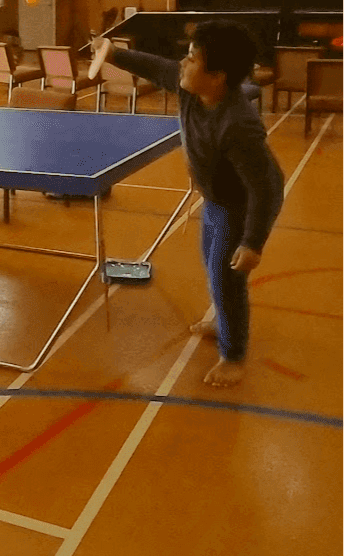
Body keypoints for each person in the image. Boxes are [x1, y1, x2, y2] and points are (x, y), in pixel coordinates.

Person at [93, 20, 284, 387]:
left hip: (237, 208)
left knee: (227, 278)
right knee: (212, 266)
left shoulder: (237, 124)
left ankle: (233, 356)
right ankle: (221, 321)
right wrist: (113, 52)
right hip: (213, 201)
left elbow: (269, 186)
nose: (182, 63)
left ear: (217, 77)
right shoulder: (188, 89)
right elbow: (154, 65)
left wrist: (253, 241)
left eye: (192, 58)